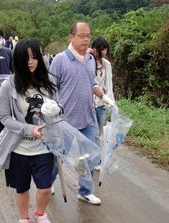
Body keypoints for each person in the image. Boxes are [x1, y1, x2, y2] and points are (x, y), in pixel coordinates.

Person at [0, 38, 63, 223]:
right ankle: (24, 218)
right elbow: (4, 118)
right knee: (21, 188)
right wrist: (29, 129)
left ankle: (40, 214)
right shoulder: (8, 86)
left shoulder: (48, 82)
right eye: (26, 58)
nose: (30, 62)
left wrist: (55, 109)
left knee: (45, 188)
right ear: (18, 60)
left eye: (34, 57)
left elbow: (58, 106)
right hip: (19, 149)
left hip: (44, 147)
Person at [49, 21, 115, 205]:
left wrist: (104, 97)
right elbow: (51, 88)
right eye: (82, 36)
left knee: (88, 156)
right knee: (58, 157)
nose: (86, 39)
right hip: (64, 120)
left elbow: (91, 82)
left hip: (87, 117)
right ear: (71, 37)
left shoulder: (91, 59)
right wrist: (52, 110)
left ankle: (84, 191)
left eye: (88, 36)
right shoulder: (60, 60)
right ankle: (47, 183)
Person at [90, 36, 115, 170]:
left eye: (105, 49)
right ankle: (97, 160)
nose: (104, 51)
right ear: (95, 49)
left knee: (98, 132)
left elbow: (109, 85)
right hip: (90, 104)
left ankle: (91, 155)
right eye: (101, 49)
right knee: (94, 134)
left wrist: (112, 103)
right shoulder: (88, 62)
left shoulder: (107, 64)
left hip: (102, 103)